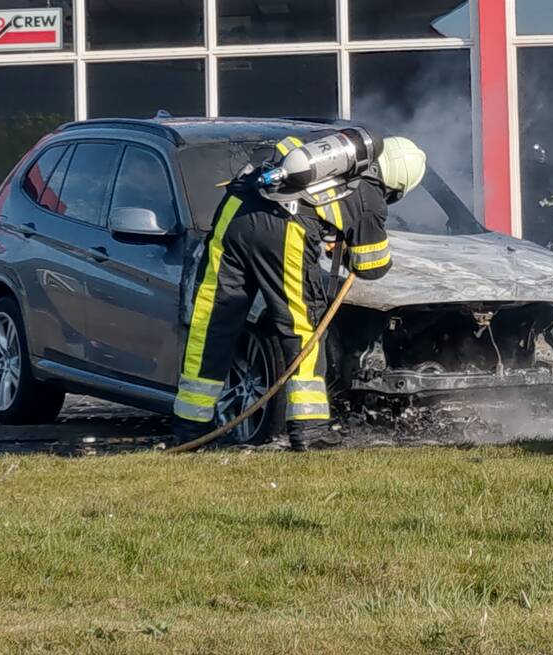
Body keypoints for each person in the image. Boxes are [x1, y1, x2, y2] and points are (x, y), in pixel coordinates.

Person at [172, 135, 427, 451]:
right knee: (300, 326)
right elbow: (372, 267)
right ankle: (309, 428)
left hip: (234, 212)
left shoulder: (328, 158)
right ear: (397, 187)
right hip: (284, 227)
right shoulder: (370, 194)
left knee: (212, 321)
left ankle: (190, 429)